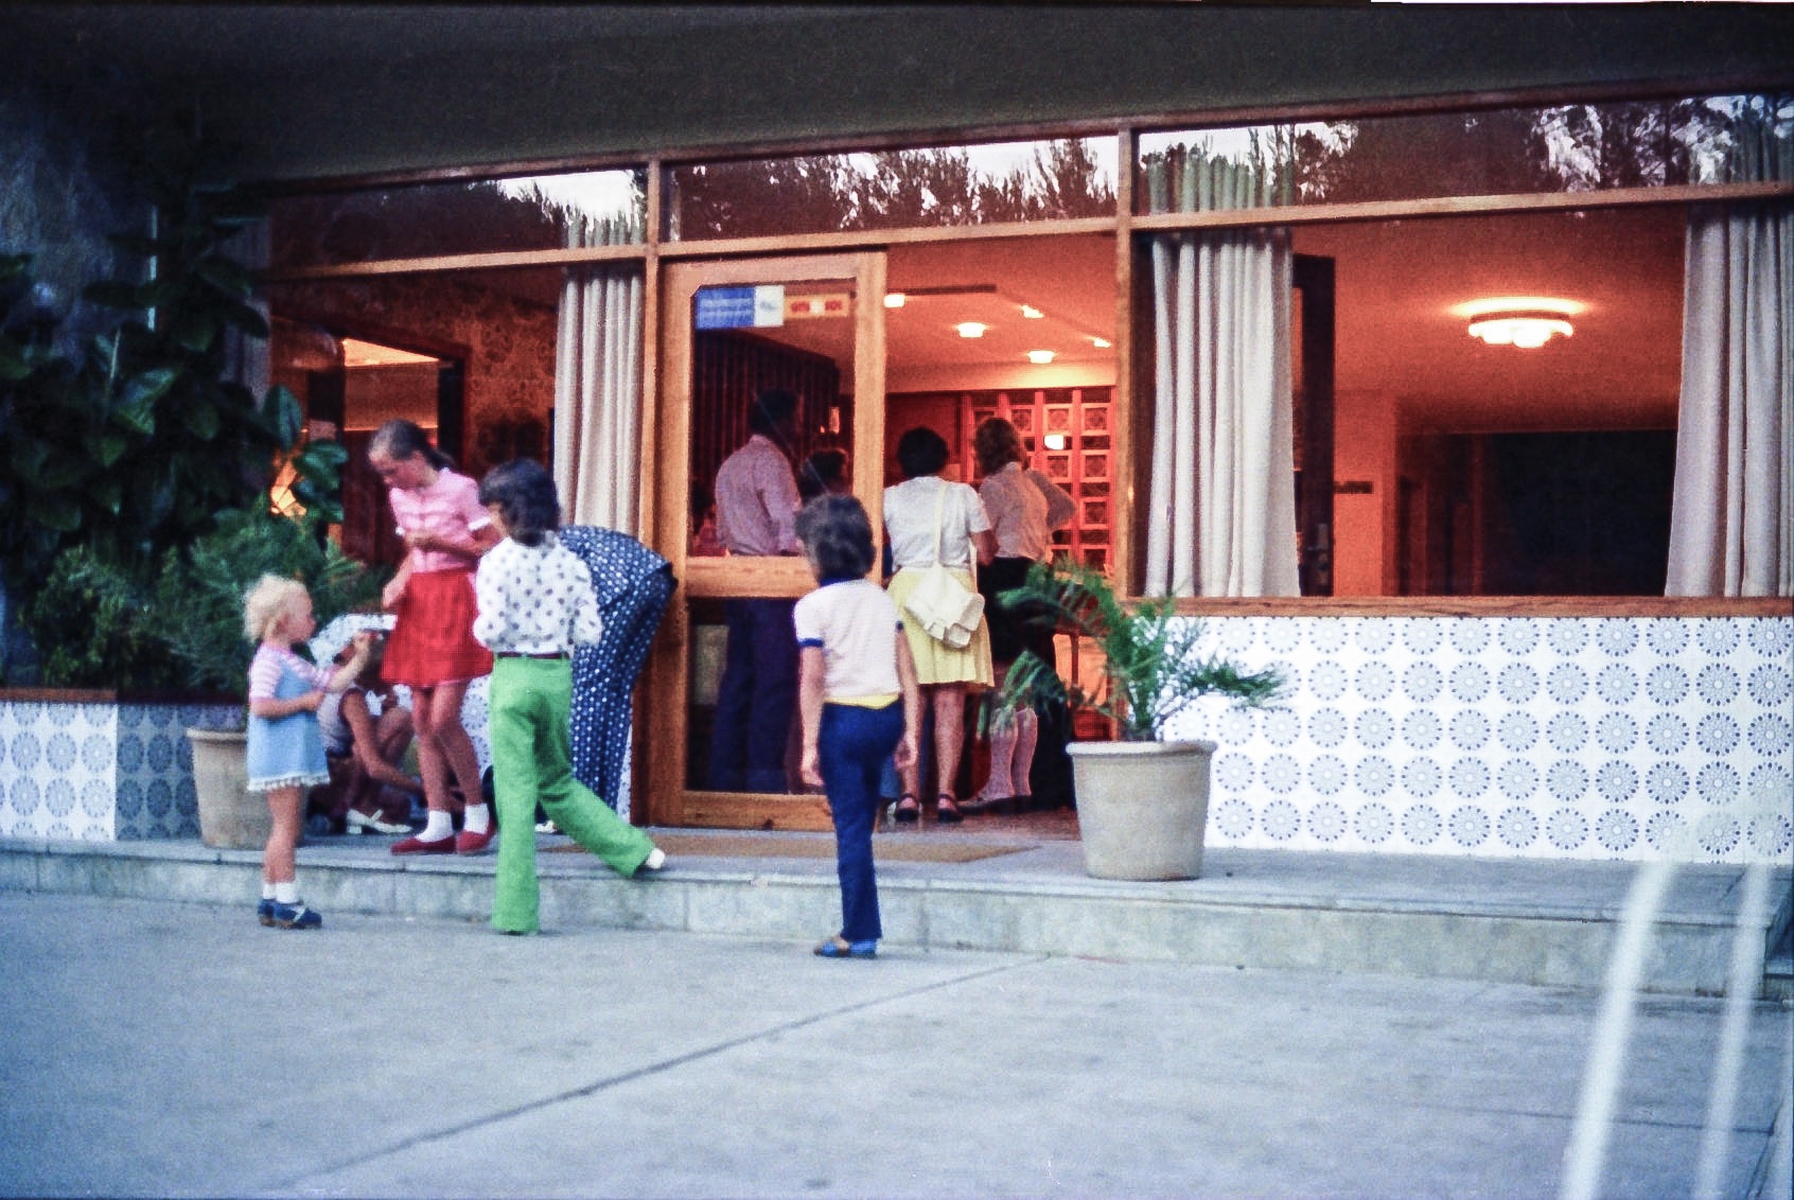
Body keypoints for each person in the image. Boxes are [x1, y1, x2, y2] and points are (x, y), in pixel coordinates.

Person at [473, 459, 667, 936]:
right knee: (558, 781)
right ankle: (635, 850)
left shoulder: (495, 562)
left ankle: (516, 912)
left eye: (493, 511)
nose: (489, 520)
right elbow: (590, 631)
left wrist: (482, 629)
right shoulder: (571, 563)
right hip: (557, 675)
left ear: (508, 511)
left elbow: (491, 629)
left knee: (515, 794)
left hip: (513, 672)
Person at [367, 419, 502, 856]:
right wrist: (398, 580)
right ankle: (438, 822)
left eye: (391, 471)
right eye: (382, 474)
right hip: (420, 603)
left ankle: (478, 814)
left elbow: (492, 547)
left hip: (456, 597)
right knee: (422, 719)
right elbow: (413, 554)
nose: (388, 481)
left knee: (444, 717)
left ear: (416, 457)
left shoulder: (461, 489)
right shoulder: (398, 497)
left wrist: (443, 543)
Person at [794, 494, 920, 959]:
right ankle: (862, 922)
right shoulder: (883, 600)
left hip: (842, 723)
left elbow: (813, 677)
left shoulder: (812, 607)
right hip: (885, 717)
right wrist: (910, 730)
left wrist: (809, 744)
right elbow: (908, 670)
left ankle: (858, 931)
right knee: (864, 820)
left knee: (849, 826)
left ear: (817, 551)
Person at [243, 575, 374, 929]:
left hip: (289, 756)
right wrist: (302, 703)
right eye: (308, 615)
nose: (313, 622)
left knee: (281, 827)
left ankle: (270, 897)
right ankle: (287, 900)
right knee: (287, 829)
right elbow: (260, 706)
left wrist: (360, 658)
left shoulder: (290, 661)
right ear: (283, 621)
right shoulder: (270, 661)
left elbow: (332, 682)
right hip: (280, 757)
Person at [882, 425, 995, 824]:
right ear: (944, 459)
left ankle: (908, 795)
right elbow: (986, 554)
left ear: (902, 461)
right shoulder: (964, 495)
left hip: (906, 594)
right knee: (950, 700)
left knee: (910, 699)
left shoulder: (889, 497)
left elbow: (875, 549)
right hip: (952, 594)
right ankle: (946, 796)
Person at [967, 416, 1074, 814]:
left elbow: (983, 544)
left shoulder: (994, 487)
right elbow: (1068, 507)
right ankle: (1028, 782)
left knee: (1001, 681)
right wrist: (1042, 531)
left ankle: (1000, 783)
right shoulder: (1035, 483)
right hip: (1036, 580)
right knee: (1029, 684)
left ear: (985, 450)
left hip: (1004, 579)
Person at [708, 387, 804, 793]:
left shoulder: (730, 464)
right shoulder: (772, 461)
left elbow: (722, 531)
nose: (798, 427)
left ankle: (725, 774)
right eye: (795, 419)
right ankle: (765, 776)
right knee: (775, 678)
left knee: (738, 678)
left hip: (736, 576)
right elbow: (788, 527)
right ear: (781, 422)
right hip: (770, 577)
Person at [558, 525, 677, 815]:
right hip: (654, 576)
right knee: (613, 693)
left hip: (618, 583)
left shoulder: (523, 548)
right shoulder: (558, 534)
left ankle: (580, 808)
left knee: (587, 691)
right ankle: (600, 808)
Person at [315, 635, 421, 835]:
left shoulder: (336, 674)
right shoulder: (352, 697)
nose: (395, 682)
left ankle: (344, 812)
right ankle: (361, 805)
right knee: (401, 718)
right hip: (329, 775)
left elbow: (349, 727)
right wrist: (429, 792)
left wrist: (383, 710)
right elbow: (375, 767)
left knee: (400, 806)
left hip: (322, 774)